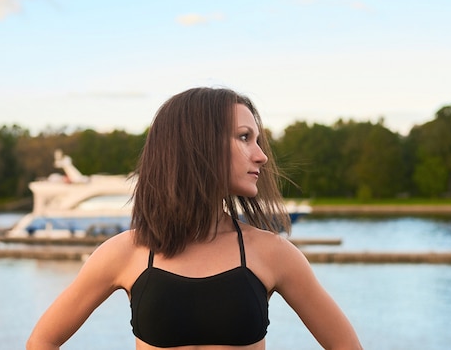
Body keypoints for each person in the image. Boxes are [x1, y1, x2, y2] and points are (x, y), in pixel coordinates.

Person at [27, 87, 363, 350]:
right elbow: (42, 341)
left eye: (258, 141)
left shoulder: (272, 253)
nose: (261, 156)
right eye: (245, 137)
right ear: (199, 144)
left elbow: (345, 345)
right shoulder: (125, 253)